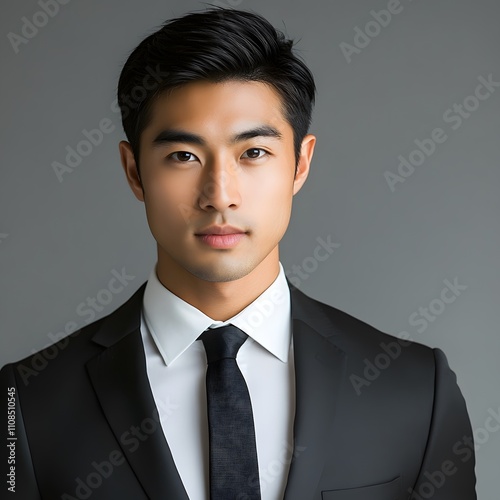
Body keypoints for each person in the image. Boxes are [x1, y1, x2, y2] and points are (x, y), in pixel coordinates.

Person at [0, 7, 476, 500]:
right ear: (134, 170)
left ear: (300, 164)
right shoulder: (26, 403)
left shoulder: (416, 391)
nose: (219, 194)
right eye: (183, 156)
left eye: (253, 153)